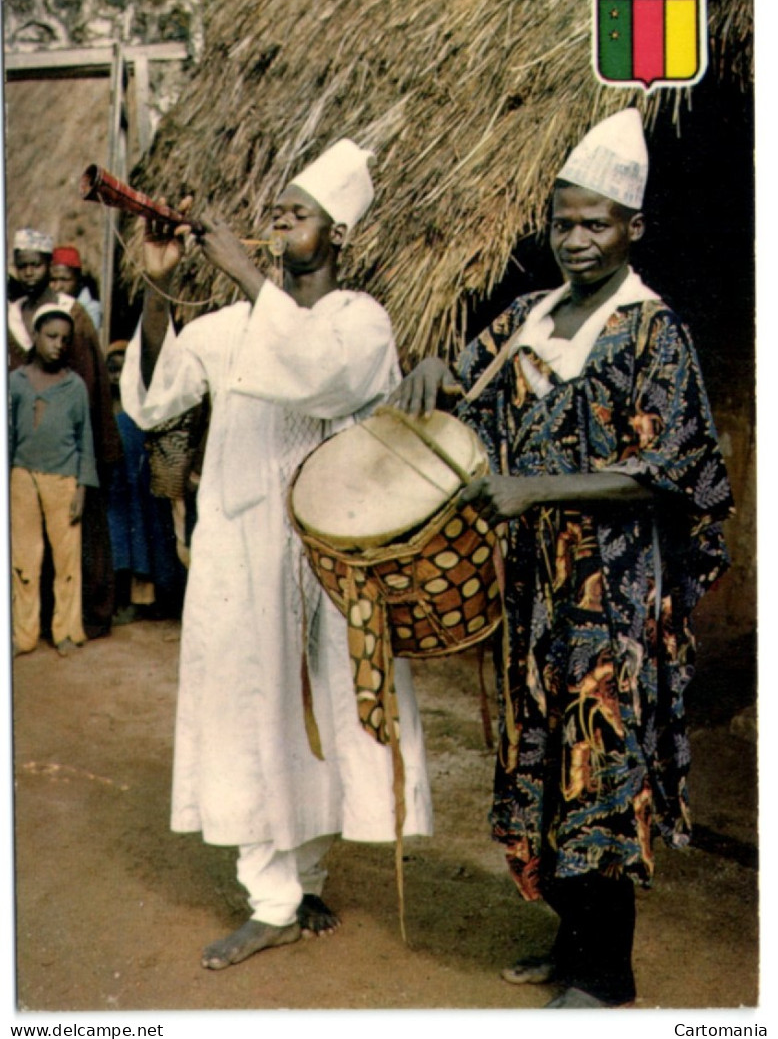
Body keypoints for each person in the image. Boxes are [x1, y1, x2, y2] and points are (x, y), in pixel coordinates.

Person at [391, 109, 733, 1008]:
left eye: (596, 224)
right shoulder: (526, 317)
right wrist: (434, 369)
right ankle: (570, 939)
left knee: (600, 761)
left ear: (633, 229)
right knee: (539, 755)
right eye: (563, 222)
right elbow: (467, 390)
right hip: (533, 588)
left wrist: (534, 492)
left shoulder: (653, 331)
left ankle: (608, 976)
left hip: (609, 595)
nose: (576, 241)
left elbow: (671, 468)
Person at [120, 139, 433, 970]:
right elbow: (157, 398)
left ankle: (305, 874)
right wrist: (156, 289)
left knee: (325, 719)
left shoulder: (359, 321)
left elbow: (318, 375)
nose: (281, 220)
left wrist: (246, 278)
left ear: (339, 235)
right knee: (248, 714)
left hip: (328, 555)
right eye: (279, 210)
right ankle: (271, 899)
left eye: (302, 213)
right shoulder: (229, 322)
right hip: (241, 551)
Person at [8, 228, 121, 640]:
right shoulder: (14, 311)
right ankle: (28, 626)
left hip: (69, 446)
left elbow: (90, 385)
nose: (31, 272)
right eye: (23, 265)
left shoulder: (69, 312)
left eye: (38, 264)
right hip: (25, 448)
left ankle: (78, 621)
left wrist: (89, 456)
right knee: (27, 546)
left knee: (75, 537)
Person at [10, 304, 99, 657]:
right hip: (22, 478)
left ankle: (65, 630)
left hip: (63, 480)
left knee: (66, 561)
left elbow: (85, 441)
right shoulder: (15, 382)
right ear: (34, 337)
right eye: (51, 337)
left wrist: (81, 487)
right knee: (24, 560)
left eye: (65, 339)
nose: (58, 344)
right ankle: (24, 634)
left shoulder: (74, 387)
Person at [105, 341, 184, 623]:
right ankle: (120, 600)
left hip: (140, 488)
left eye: (121, 368)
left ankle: (147, 602)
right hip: (116, 489)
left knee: (144, 541)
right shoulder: (104, 409)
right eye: (110, 368)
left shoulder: (142, 408)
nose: (115, 375)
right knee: (118, 542)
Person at [50, 245, 103, 331]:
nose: (58, 286)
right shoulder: (48, 303)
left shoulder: (91, 309)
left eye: (64, 280)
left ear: (79, 281)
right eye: (53, 280)